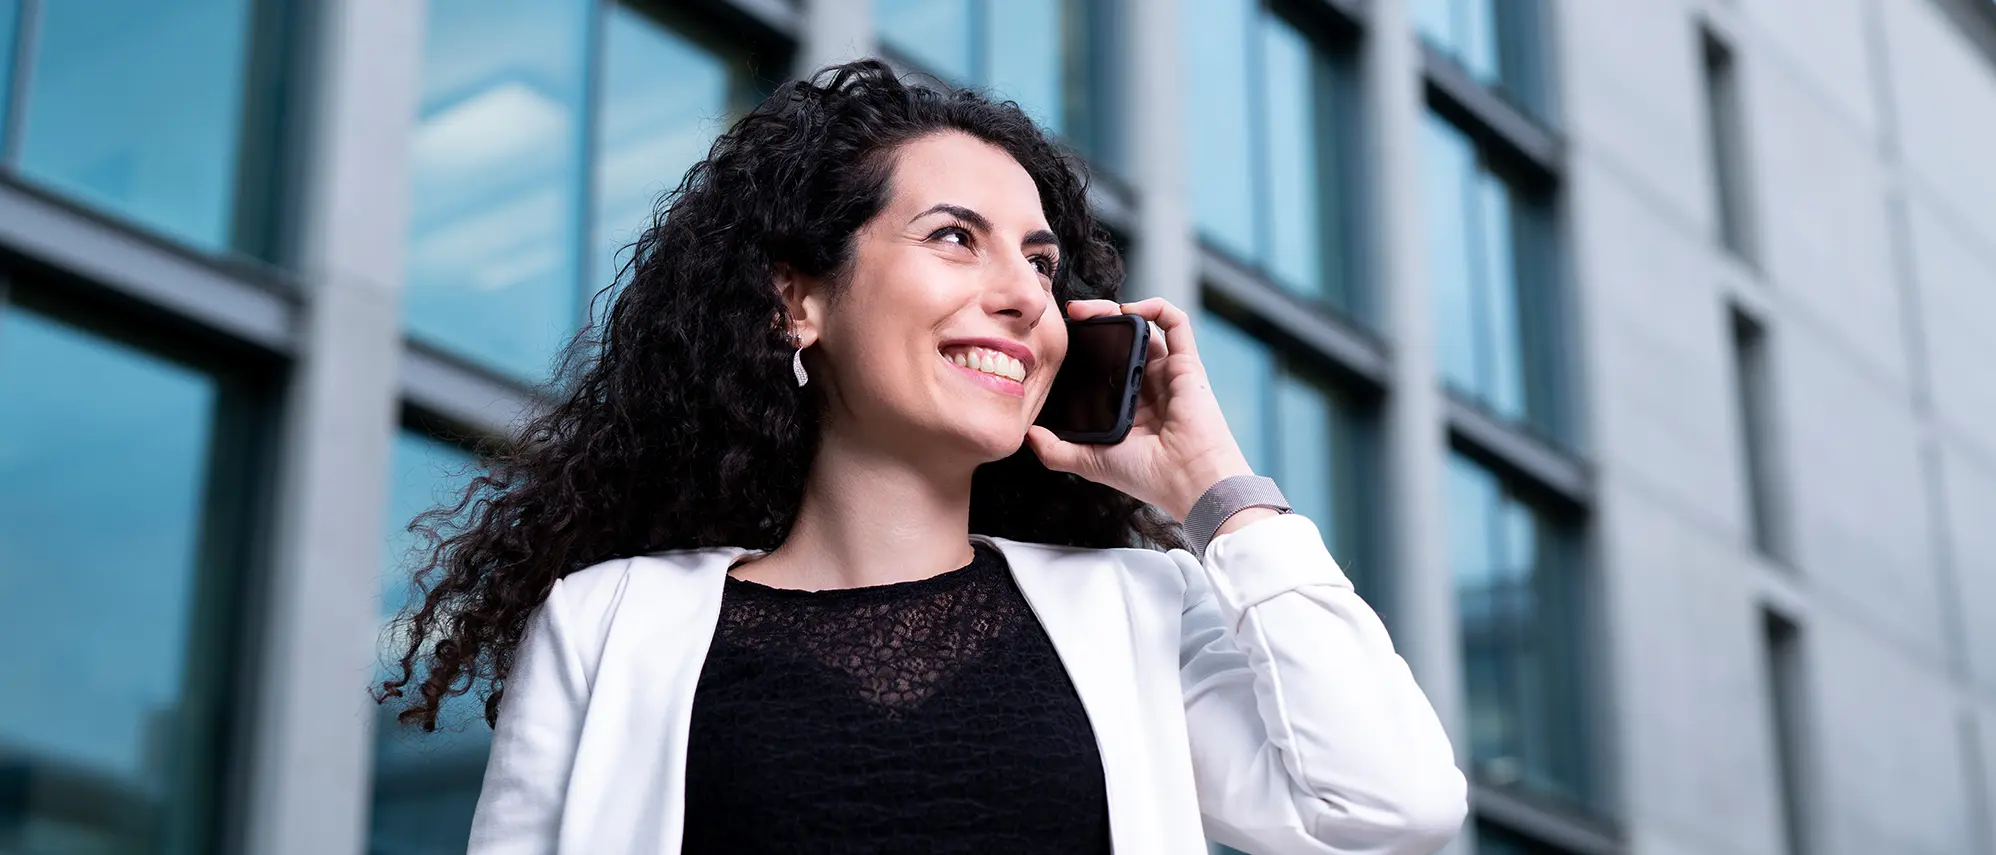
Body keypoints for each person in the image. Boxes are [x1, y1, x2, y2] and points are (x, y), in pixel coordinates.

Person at [379, 59, 1466, 855]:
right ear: (797, 301)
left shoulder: (1137, 611)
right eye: (956, 237)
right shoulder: (610, 622)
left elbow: (1392, 802)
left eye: (1041, 264)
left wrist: (1216, 492)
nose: (1022, 294)